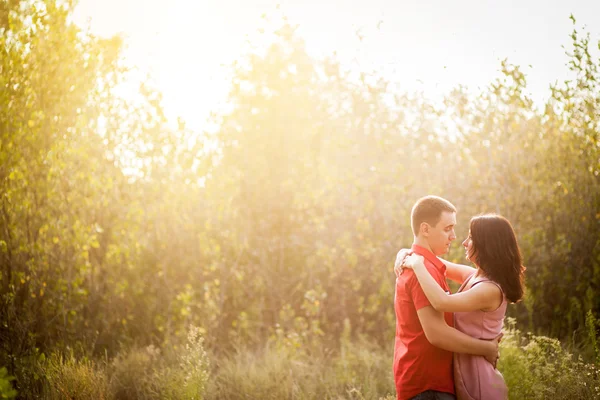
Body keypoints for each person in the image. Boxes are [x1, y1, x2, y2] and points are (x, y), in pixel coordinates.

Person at [396, 213, 525, 400]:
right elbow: (434, 261)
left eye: (471, 237)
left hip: (477, 377)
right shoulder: (474, 276)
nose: (464, 242)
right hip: (464, 369)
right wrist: (403, 253)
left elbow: (442, 302)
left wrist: (417, 265)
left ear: (487, 244)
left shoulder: (489, 290)